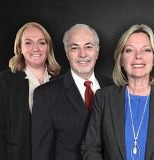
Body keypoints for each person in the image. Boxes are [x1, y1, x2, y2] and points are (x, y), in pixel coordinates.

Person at [81, 24, 154, 160]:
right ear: (121, 60)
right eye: (129, 50)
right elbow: (91, 147)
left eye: (146, 50)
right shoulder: (104, 98)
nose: (138, 56)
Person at [31, 24, 112, 160]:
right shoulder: (45, 95)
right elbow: (41, 154)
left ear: (97, 51)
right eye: (74, 48)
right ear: (67, 52)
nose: (82, 54)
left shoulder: (114, 88)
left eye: (88, 46)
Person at [0, 22, 61, 160]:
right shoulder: (4, 81)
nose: (36, 48)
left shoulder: (62, 80)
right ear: (19, 48)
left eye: (41, 42)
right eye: (28, 43)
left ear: (48, 47)